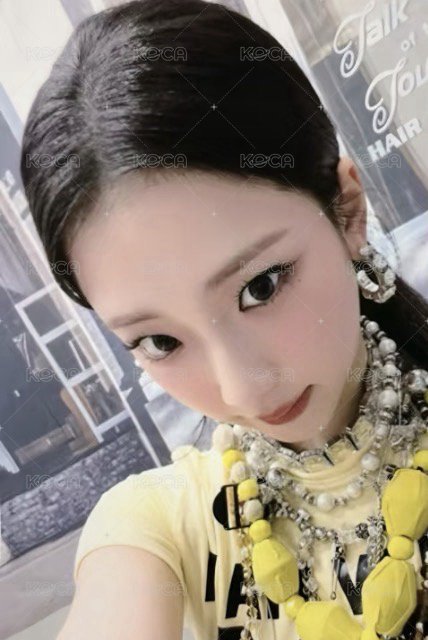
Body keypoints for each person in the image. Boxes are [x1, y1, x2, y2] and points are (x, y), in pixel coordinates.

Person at [19, 1, 428, 639]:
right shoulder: (157, 526)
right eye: (160, 340)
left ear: (346, 209)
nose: (243, 390)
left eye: (260, 286)